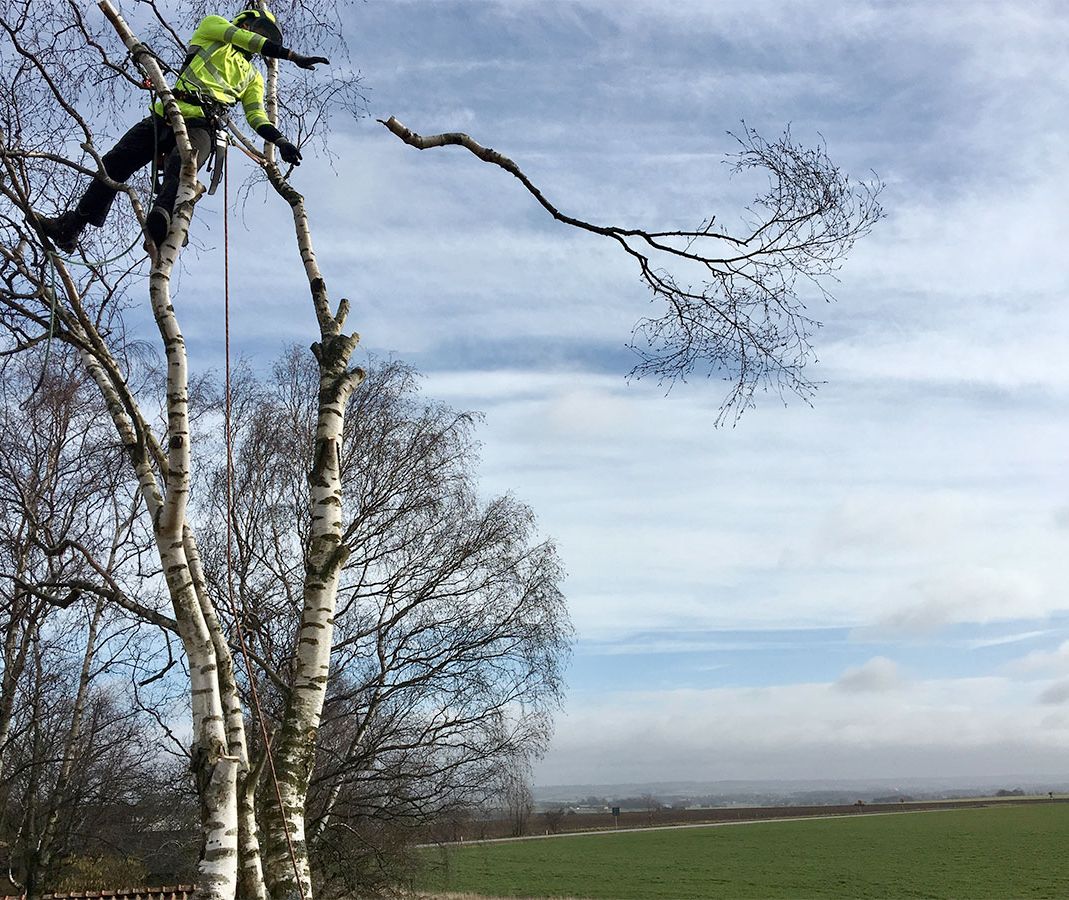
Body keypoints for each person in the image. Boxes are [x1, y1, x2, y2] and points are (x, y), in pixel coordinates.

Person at [38, 6, 328, 253]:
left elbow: (256, 115)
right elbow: (240, 38)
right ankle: (72, 226)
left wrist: (280, 141)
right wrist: (291, 56)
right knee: (115, 161)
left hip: (204, 125)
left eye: (265, 38)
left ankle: (162, 218)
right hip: (167, 112)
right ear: (245, 24)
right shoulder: (215, 28)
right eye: (258, 31)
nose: (259, 39)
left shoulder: (252, 76)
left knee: (183, 163)